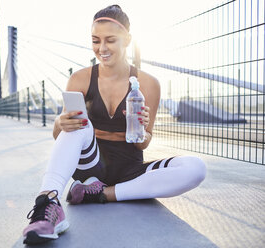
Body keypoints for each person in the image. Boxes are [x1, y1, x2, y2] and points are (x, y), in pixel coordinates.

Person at [22, 5, 206, 245]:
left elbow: (143, 143)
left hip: (130, 172)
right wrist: (59, 121)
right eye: (95, 41)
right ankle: (48, 203)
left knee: (196, 168)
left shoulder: (148, 83)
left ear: (127, 39)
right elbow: (61, 135)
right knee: (79, 123)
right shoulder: (80, 78)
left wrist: (142, 130)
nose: (102, 48)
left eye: (110, 40)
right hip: (91, 168)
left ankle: (102, 195)